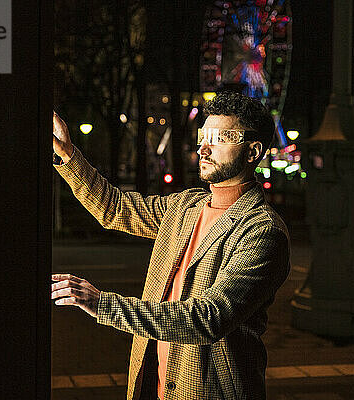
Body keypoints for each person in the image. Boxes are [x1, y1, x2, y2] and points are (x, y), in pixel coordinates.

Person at [51, 91, 290, 400]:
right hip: (152, 381)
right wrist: (68, 155)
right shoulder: (186, 205)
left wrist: (102, 303)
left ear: (252, 151)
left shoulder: (262, 231)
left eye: (219, 138)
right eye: (204, 136)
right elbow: (115, 208)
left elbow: (208, 319)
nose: (204, 148)